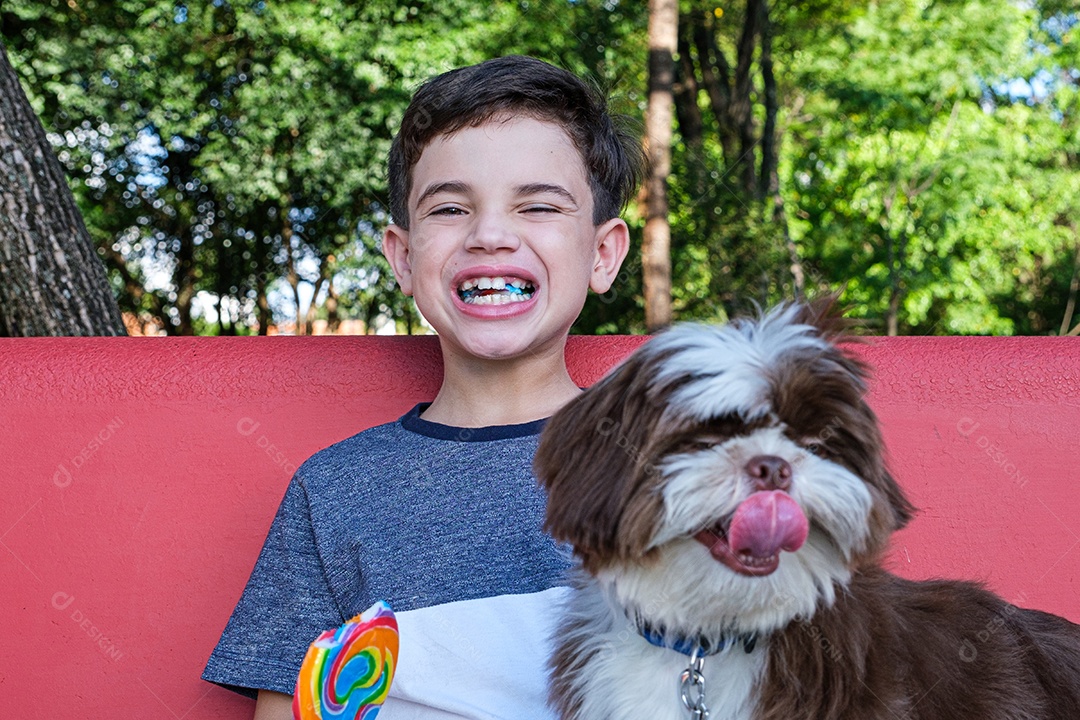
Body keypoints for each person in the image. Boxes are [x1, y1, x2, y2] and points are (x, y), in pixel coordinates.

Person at [202, 55, 644, 719]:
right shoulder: (333, 491)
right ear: (404, 258)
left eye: (539, 205)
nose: (491, 234)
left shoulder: (675, 466)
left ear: (603, 254)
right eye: (450, 208)